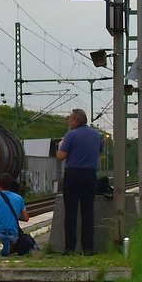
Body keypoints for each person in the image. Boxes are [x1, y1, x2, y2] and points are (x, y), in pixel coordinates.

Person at [56, 108, 102, 254]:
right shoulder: (96, 135)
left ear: (76, 120)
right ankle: (88, 248)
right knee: (88, 212)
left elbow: (61, 156)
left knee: (71, 212)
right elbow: (99, 152)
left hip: (73, 175)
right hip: (90, 175)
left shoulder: (71, 135)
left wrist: (60, 146)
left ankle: (70, 248)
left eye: (70, 119)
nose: (69, 121)